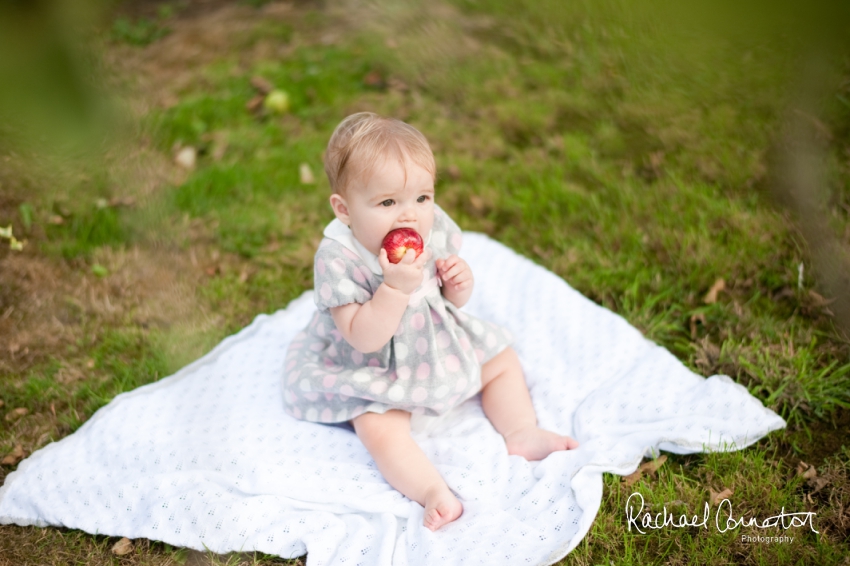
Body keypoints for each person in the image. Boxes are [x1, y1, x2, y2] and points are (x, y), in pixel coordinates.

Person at [283, 112, 578, 531]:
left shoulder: (429, 226)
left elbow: (449, 297)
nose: (410, 216)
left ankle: (520, 431)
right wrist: (393, 289)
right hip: (376, 363)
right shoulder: (338, 259)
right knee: (377, 426)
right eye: (387, 203)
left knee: (501, 360)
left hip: (434, 337)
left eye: (422, 198)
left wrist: (459, 283)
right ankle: (431, 490)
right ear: (344, 209)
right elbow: (361, 337)